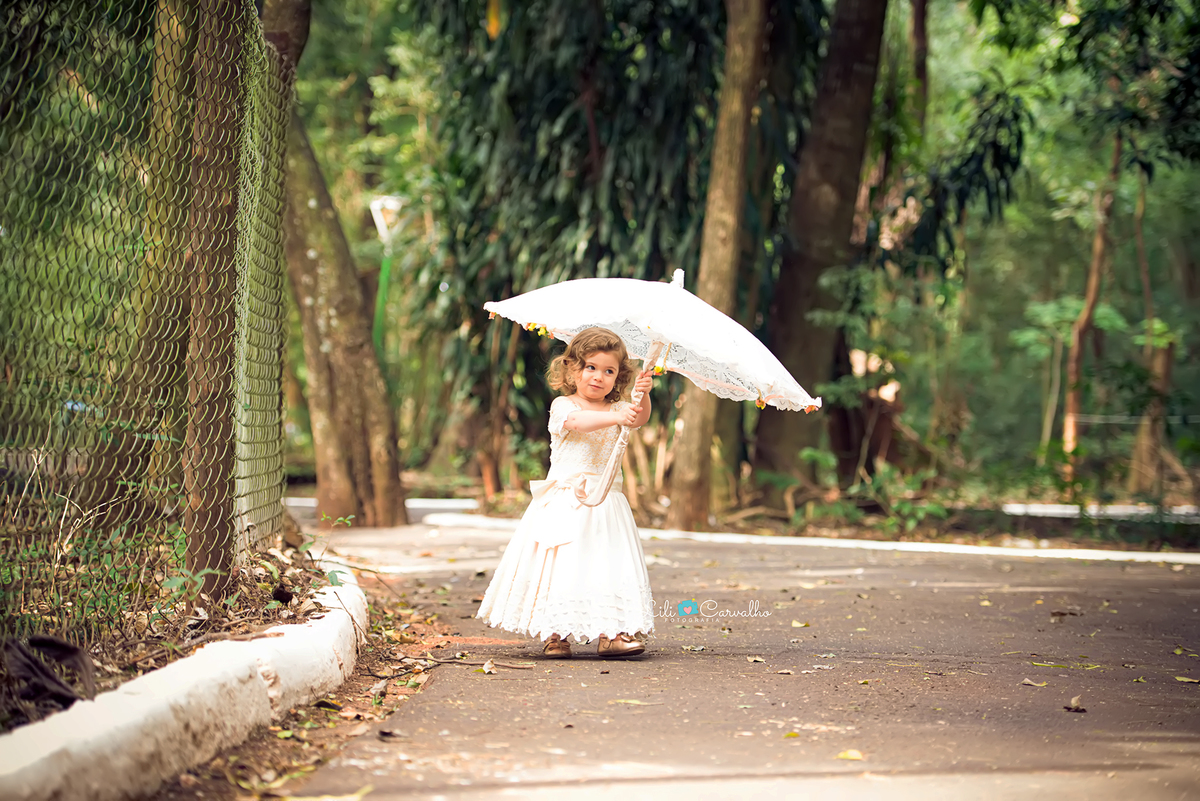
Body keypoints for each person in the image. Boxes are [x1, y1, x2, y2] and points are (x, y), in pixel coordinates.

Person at [476, 327, 655, 658]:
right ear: (572, 369)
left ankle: (611, 633)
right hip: (566, 501)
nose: (598, 376)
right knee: (560, 565)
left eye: (609, 371)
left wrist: (642, 395)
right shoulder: (563, 405)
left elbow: (638, 418)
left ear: (618, 377)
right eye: (591, 367)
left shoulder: (619, 407)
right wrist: (617, 415)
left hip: (605, 501)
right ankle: (555, 633)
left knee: (606, 563)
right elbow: (578, 422)